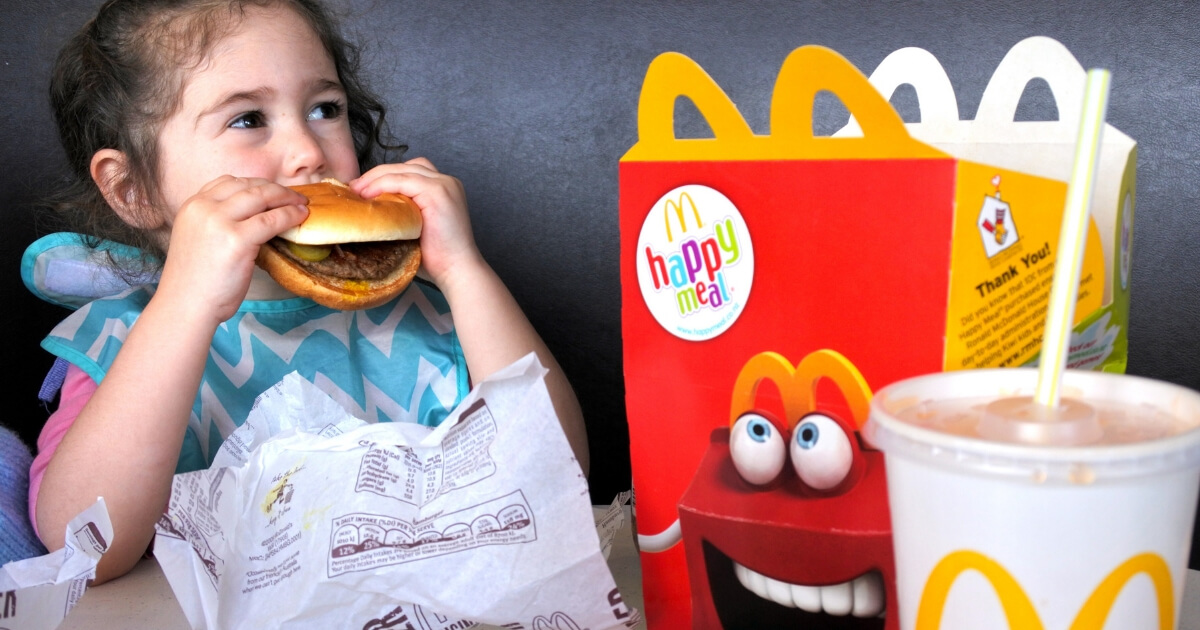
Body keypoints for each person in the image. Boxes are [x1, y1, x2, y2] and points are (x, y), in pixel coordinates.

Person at [28, 0, 587, 584]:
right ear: (133, 190)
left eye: (325, 109)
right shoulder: (124, 340)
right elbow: (84, 550)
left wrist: (465, 271)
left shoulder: (436, 317)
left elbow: (558, 480)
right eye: (248, 119)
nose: (309, 153)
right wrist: (184, 307)